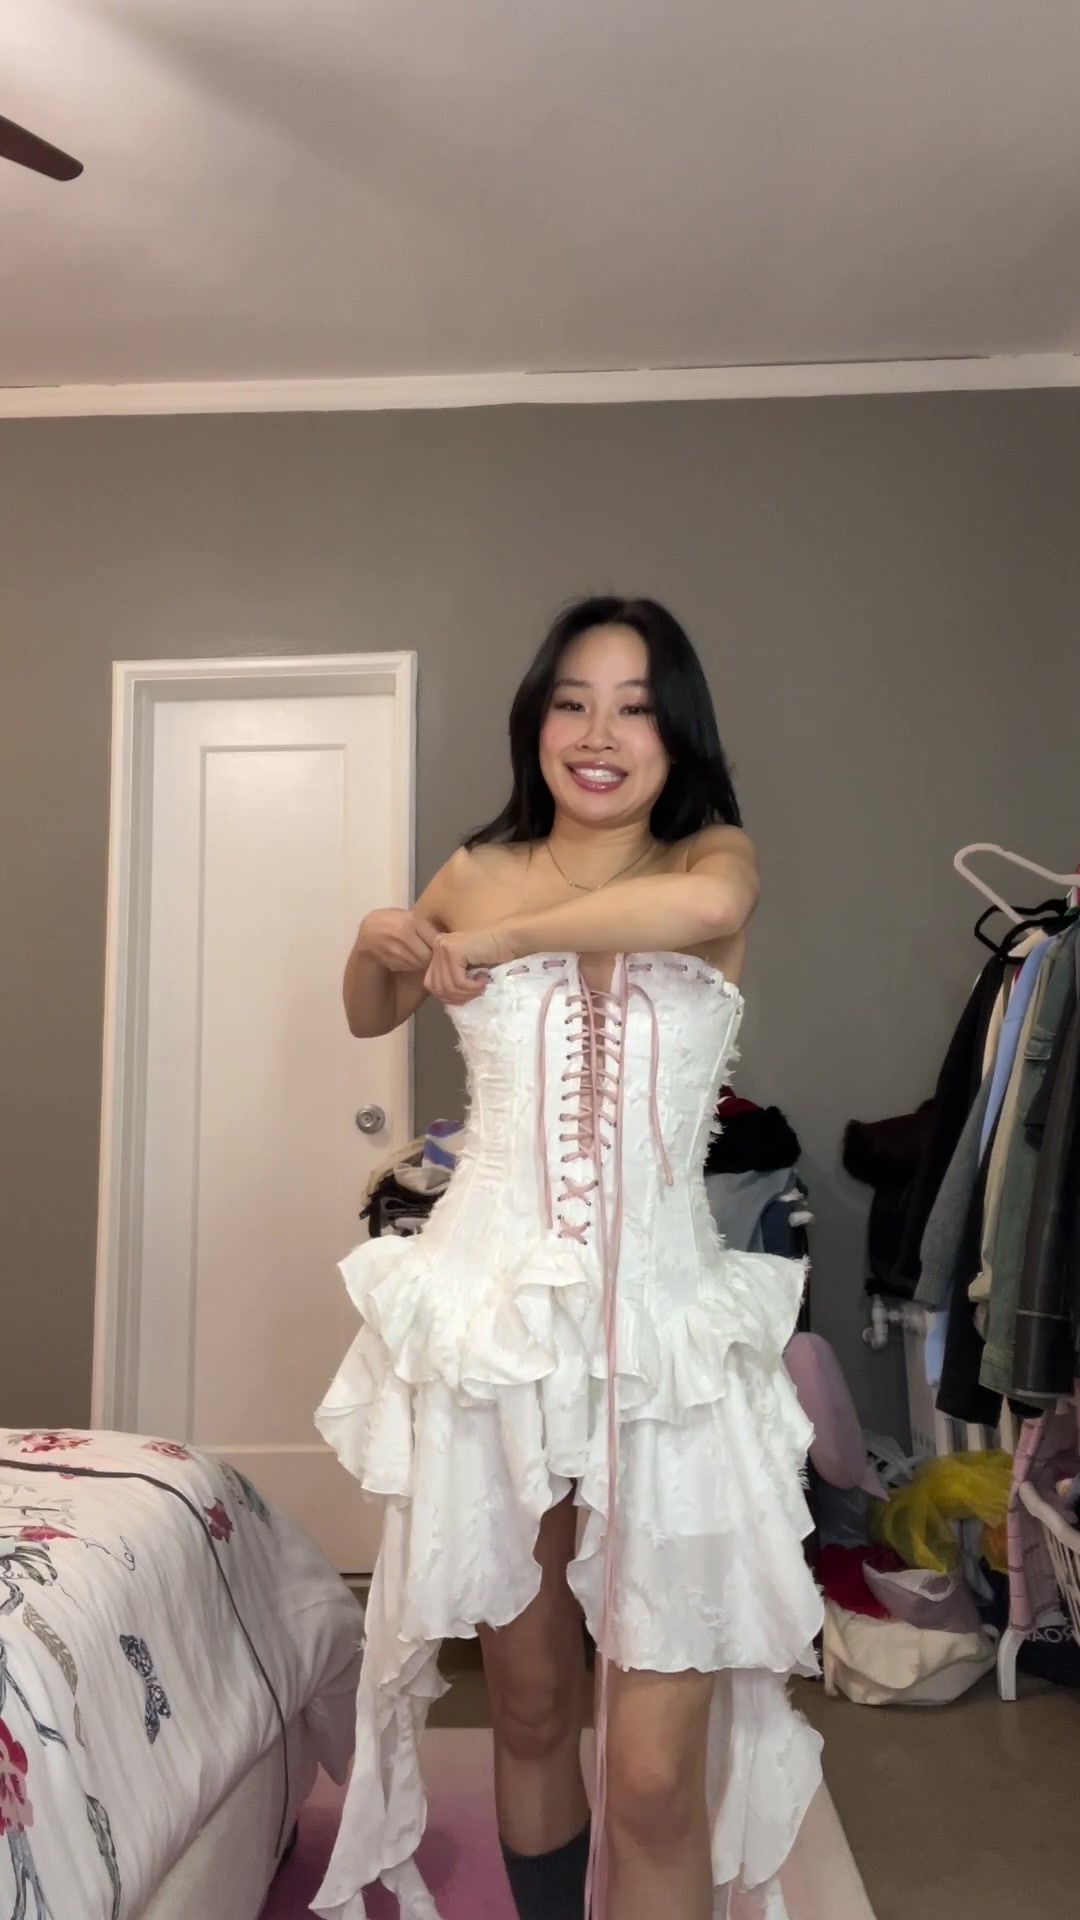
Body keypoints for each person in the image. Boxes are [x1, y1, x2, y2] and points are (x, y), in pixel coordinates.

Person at [314, 597, 823, 1920]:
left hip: (664, 1344)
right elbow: (375, 1008)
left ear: (678, 732)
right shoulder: (475, 868)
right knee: (531, 1706)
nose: (599, 734)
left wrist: (505, 941)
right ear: (535, 721)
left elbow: (705, 905)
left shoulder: (711, 856)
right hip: (496, 1331)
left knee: (652, 1776)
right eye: (573, 702)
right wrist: (377, 944)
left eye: (636, 707)